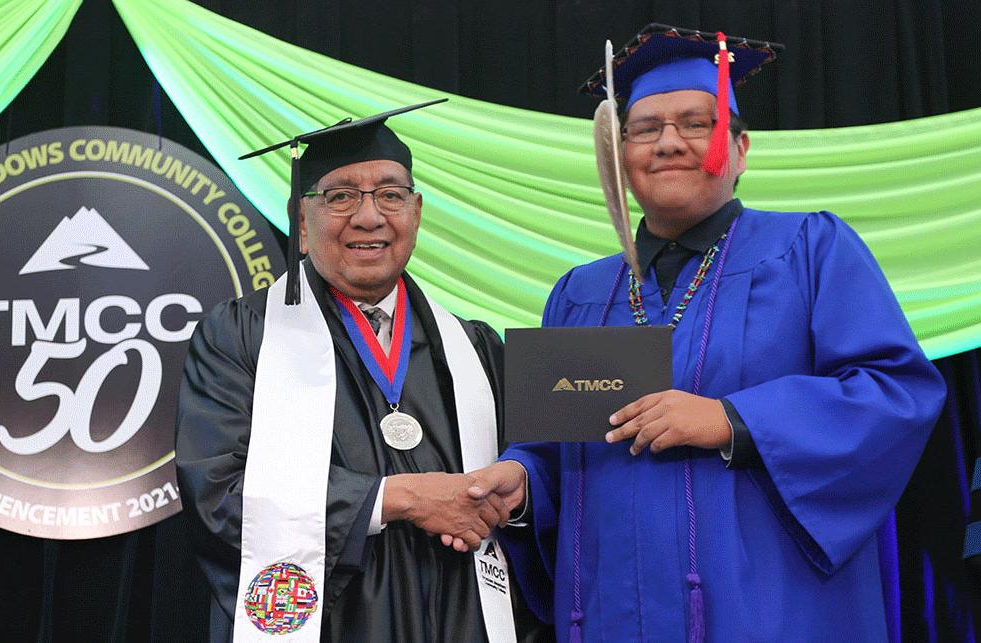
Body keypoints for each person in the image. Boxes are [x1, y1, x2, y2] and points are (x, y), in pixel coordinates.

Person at [467, 25, 947, 642]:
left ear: (740, 150)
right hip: (612, 614)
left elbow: (895, 393)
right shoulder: (580, 293)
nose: (669, 143)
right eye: (645, 129)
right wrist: (523, 481)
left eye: (696, 123)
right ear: (619, 155)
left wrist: (732, 420)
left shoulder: (810, 249)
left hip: (773, 614)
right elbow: (555, 447)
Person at [175, 101, 536, 642]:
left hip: (463, 619)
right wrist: (403, 498)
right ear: (302, 221)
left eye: (391, 194)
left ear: (416, 212)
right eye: (340, 196)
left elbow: (536, 475)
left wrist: (520, 489)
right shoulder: (242, 336)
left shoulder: (477, 345)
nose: (369, 217)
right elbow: (218, 493)